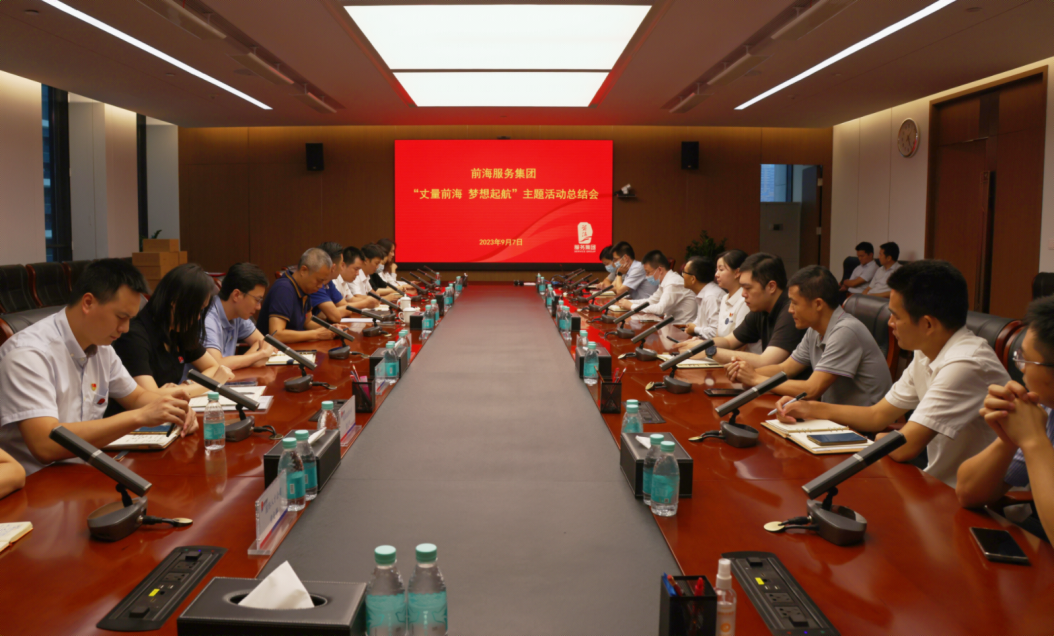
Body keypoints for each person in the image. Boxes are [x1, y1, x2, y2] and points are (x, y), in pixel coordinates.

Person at [775, 260, 1005, 488]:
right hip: (937, 481)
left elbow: (905, 447)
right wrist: (808, 408)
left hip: (970, 497)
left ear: (927, 324)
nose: (891, 323)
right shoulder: (926, 352)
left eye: (896, 316)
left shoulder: (965, 363)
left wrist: (879, 437)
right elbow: (877, 415)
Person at [0, 259, 196, 475]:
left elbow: (136, 397)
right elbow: (45, 444)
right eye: (121, 317)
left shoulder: (102, 347)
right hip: (36, 483)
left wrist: (174, 409)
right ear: (88, 303)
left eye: (130, 319)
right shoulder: (28, 354)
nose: (125, 328)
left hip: (84, 471)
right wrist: (140, 416)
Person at [956, 296, 1054, 538]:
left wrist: (1033, 441)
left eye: (1025, 359)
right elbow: (967, 493)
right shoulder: (1047, 410)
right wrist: (1009, 439)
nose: (1021, 368)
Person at [727, 266, 891, 406]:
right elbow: (785, 369)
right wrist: (745, 372)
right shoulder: (815, 329)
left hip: (861, 427)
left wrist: (755, 379)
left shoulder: (845, 331)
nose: (790, 310)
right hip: (833, 420)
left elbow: (812, 389)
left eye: (795, 303)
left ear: (818, 304)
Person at [110, 264, 234, 414]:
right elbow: (149, 397)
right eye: (196, 309)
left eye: (202, 310)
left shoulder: (178, 329)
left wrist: (186, 386)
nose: (198, 317)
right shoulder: (134, 336)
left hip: (165, 415)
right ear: (175, 301)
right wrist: (211, 384)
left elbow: (213, 366)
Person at [678, 253, 806, 367]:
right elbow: (728, 341)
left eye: (748, 288)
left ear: (771, 287)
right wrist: (700, 344)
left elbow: (766, 361)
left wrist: (709, 351)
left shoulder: (790, 311)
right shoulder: (761, 308)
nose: (743, 294)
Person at [203, 263, 276, 369]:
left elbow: (262, 342)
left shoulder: (238, 314)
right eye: (257, 300)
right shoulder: (208, 318)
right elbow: (216, 365)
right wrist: (260, 354)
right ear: (236, 295)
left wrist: (241, 362)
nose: (259, 307)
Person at [257, 247, 334, 343]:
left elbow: (308, 322)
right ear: (303, 270)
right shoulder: (284, 289)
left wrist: (331, 329)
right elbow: (276, 334)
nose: (320, 286)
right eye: (319, 280)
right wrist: (317, 334)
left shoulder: (305, 288)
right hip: (272, 350)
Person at [617, 250, 696, 323]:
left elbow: (660, 309)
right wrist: (626, 302)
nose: (646, 276)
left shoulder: (673, 283)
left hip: (681, 329)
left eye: (648, 272)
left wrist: (631, 306)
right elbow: (651, 301)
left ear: (660, 270)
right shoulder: (666, 280)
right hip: (670, 325)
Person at [714, 249, 761, 355]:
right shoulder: (724, 298)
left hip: (743, 358)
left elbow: (740, 346)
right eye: (716, 270)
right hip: (724, 355)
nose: (716, 274)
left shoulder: (745, 300)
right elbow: (718, 336)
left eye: (721, 269)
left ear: (737, 273)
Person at [309, 241, 359, 323]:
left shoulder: (329, 282)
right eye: (341, 265)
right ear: (333, 267)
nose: (342, 268)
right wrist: (331, 313)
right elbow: (335, 316)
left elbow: (346, 308)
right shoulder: (316, 284)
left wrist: (328, 313)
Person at [681, 256, 723, 339]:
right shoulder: (704, 293)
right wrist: (692, 326)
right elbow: (702, 323)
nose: (682, 275)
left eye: (684, 272)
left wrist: (695, 329)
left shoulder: (711, 297)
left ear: (693, 279)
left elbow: (715, 333)